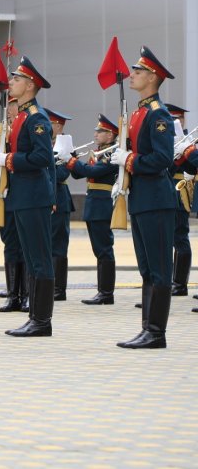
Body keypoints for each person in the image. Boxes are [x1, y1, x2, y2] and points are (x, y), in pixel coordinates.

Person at [111, 46, 176, 349]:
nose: (132, 75)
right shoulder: (138, 113)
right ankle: (147, 328)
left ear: (152, 77)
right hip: (141, 198)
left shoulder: (158, 114)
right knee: (147, 269)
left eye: (137, 72)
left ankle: (157, 332)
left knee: (160, 268)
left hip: (156, 199)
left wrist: (129, 161)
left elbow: (162, 158)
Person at [0, 56, 55, 337]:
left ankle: (42, 321)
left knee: (39, 259)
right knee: (31, 258)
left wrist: (10, 159)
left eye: (16, 79)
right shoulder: (21, 117)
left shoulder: (37, 118)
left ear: (30, 85)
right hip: (22, 195)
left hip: (34, 196)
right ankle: (34, 317)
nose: (11, 83)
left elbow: (42, 157)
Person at [67, 114, 119, 305]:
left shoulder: (111, 154)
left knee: (104, 249)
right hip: (94, 204)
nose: (96, 134)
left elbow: (92, 172)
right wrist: (70, 160)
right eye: (97, 131)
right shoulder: (99, 152)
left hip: (103, 204)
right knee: (99, 250)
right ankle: (103, 291)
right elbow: (78, 175)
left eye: (101, 131)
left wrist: (73, 163)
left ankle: (106, 293)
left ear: (111, 135)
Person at [0, 97, 29, 313]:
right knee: (10, 244)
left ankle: (27, 294)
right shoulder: (2, 132)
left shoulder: (27, 127)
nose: (8, 109)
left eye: (12, 104)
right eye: (6, 105)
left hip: (24, 192)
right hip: (5, 193)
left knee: (26, 245)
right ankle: (12, 294)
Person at [45, 108, 75, 300]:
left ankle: (59, 289)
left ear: (58, 126)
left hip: (60, 197)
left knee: (58, 245)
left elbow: (63, 174)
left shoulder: (65, 146)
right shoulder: (44, 143)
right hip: (43, 197)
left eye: (51, 124)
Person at [165, 104, 192, 297]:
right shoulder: (163, 139)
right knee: (164, 240)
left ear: (182, 121)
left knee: (180, 237)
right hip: (163, 191)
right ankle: (166, 283)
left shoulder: (188, 141)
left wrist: (182, 153)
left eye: (177, 119)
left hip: (180, 190)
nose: (174, 122)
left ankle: (180, 283)